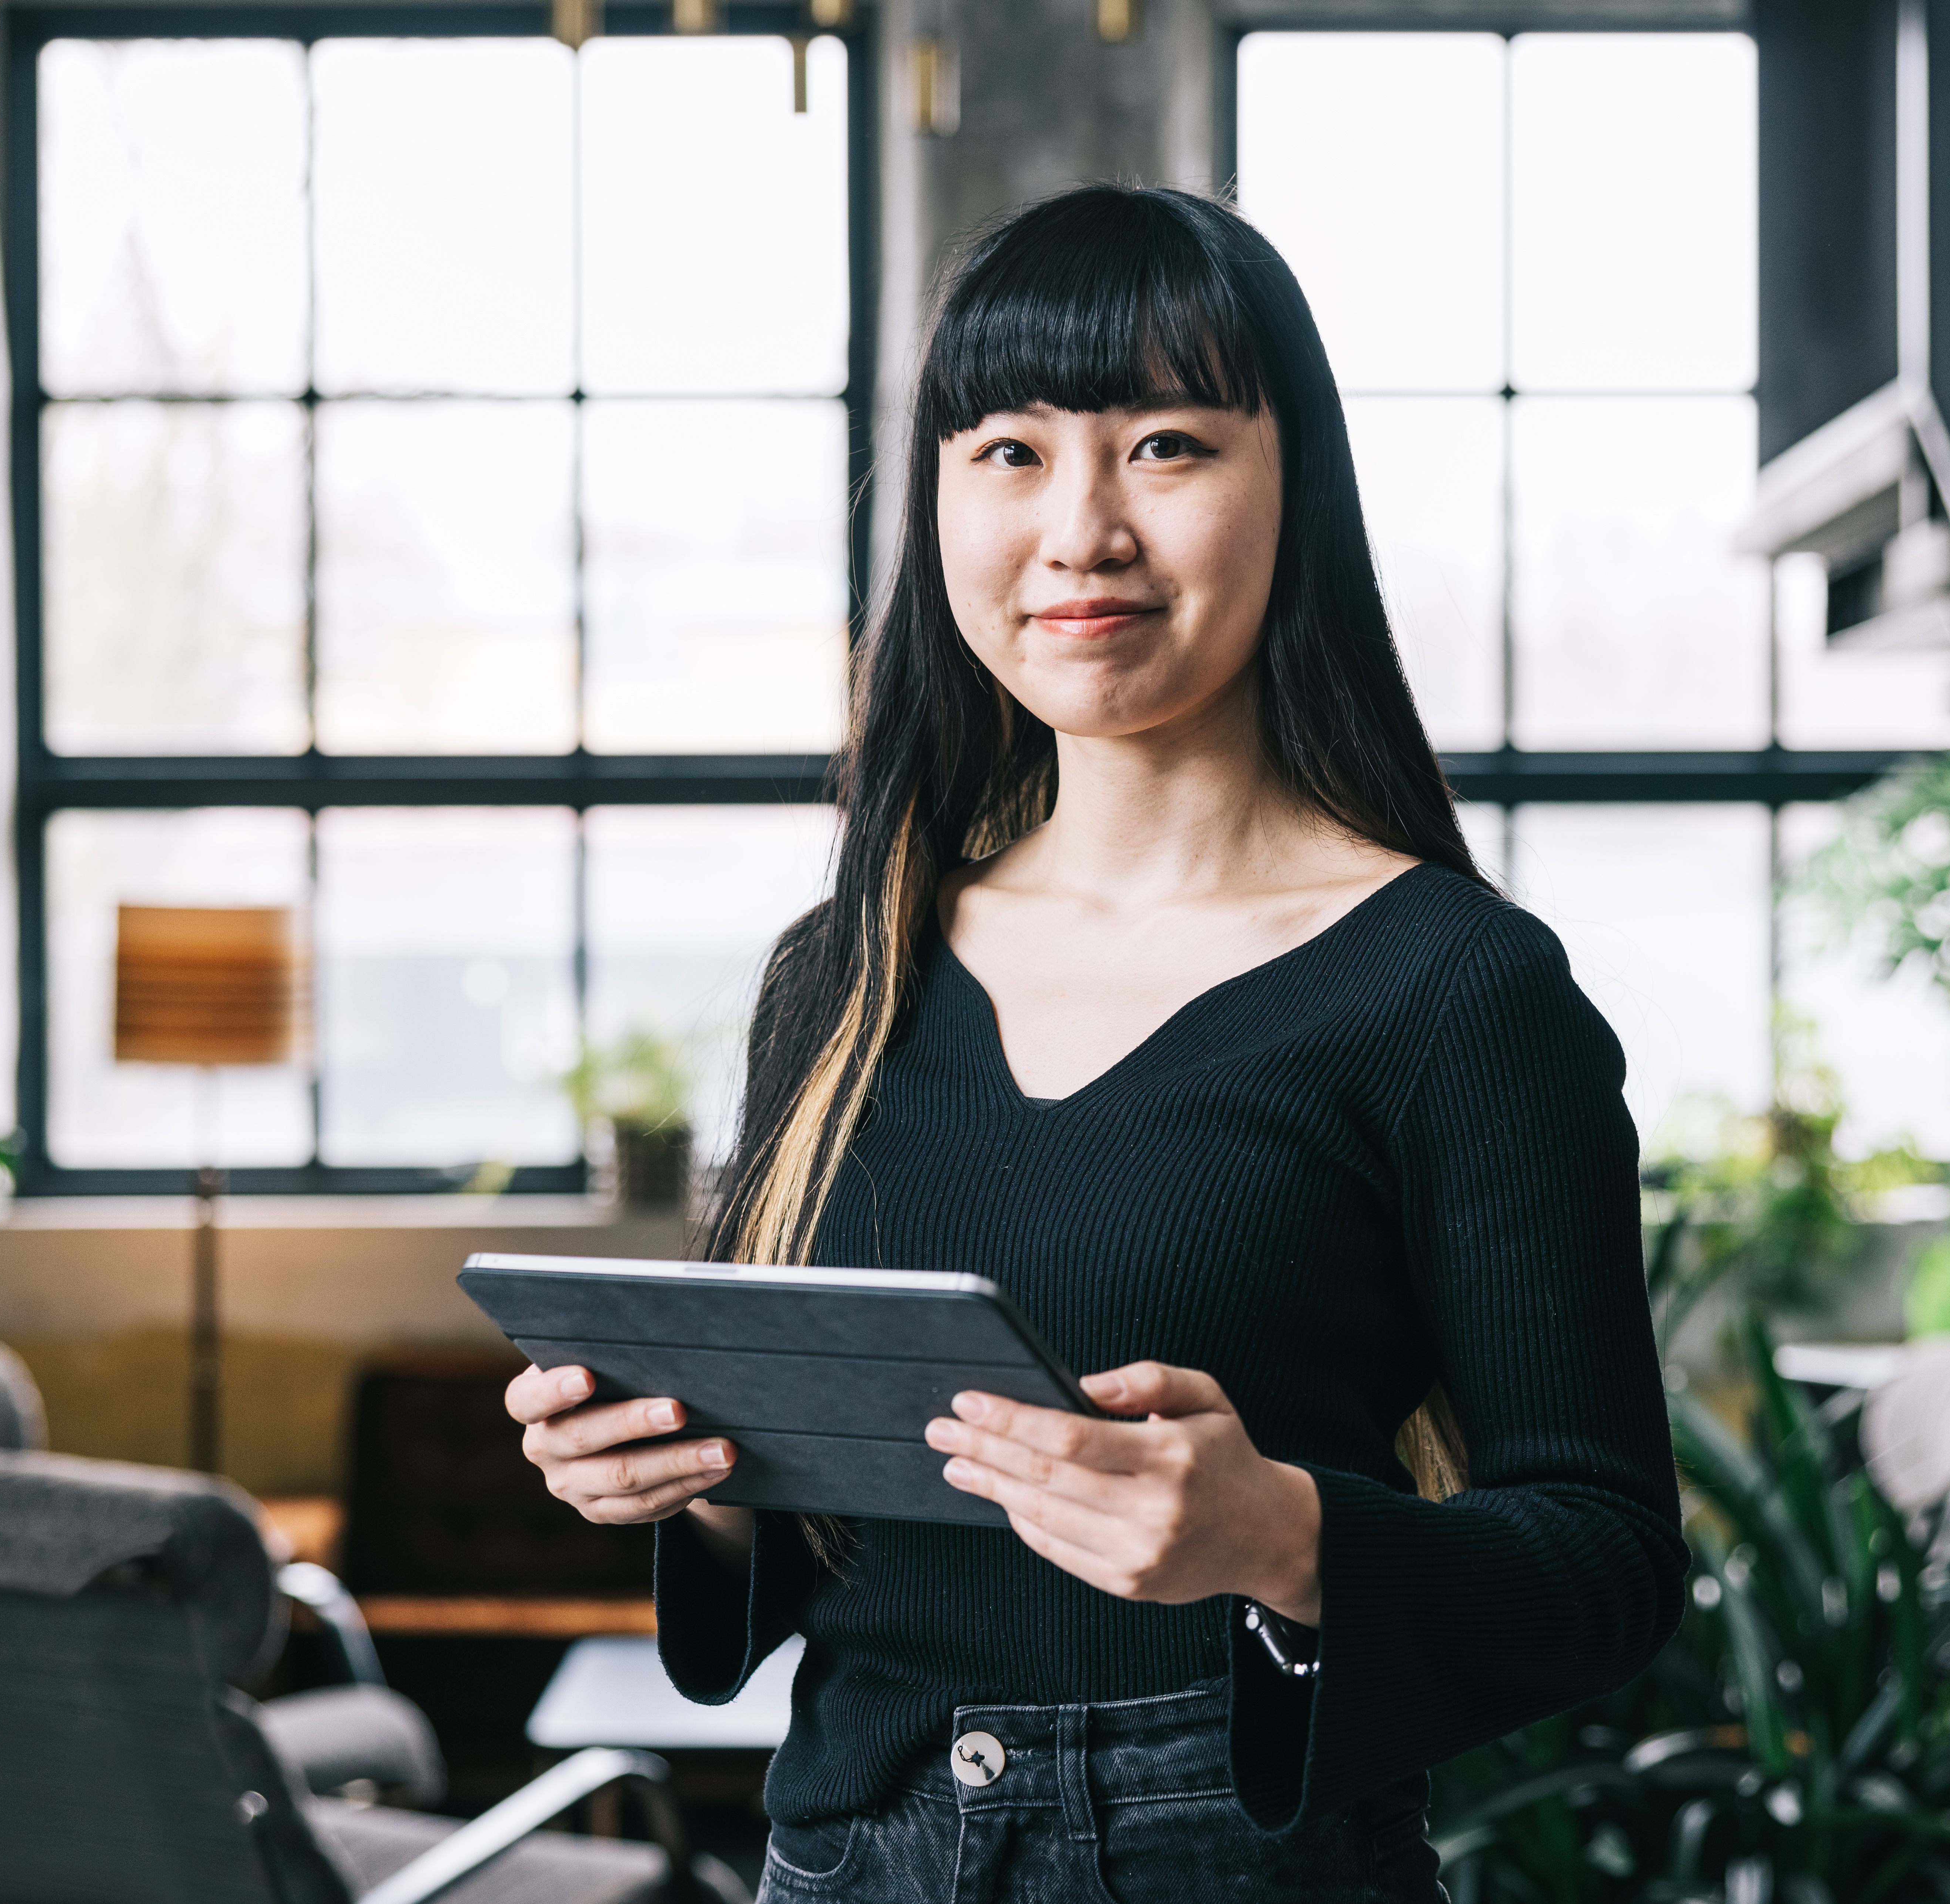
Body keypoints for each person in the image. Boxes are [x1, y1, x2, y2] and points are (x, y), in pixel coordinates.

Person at [506, 184, 1685, 1902]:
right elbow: (827, 1542)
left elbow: (1609, 1566)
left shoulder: (1457, 989)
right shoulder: (839, 976)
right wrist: (690, 1476)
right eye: (1009, 452)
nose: (1080, 531)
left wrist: (1280, 1534)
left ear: (1295, 487)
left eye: (1166, 447)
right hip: (843, 1858)